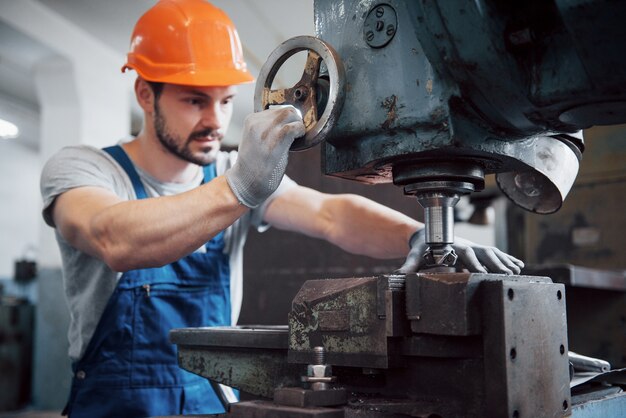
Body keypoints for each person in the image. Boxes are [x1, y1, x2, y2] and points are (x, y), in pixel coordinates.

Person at [39, 0, 524, 416]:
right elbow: (114, 239)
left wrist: (418, 235)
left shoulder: (228, 173)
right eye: (194, 101)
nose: (215, 121)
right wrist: (241, 187)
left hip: (212, 399)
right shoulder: (83, 170)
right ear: (146, 94)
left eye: (226, 101)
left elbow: (331, 215)